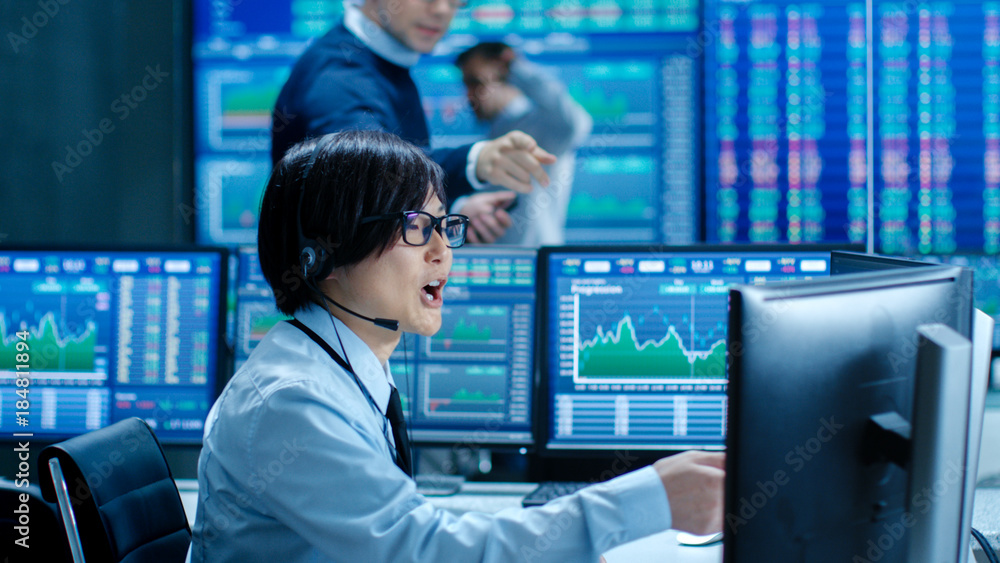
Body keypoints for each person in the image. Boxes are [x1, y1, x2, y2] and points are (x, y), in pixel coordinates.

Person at [190, 129, 725, 562]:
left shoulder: (335, 369)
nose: (444, 252)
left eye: (446, 226)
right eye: (417, 227)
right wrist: (646, 500)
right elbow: (427, 551)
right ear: (322, 257)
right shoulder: (292, 401)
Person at [271, 0, 553, 243]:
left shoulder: (382, 61)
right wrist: (475, 159)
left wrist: (449, 207)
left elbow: (382, 204)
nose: (443, 11)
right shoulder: (339, 75)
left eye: (456, 1)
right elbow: (370, 176)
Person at [456, 42, 592, 246]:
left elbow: (575, 124)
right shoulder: (494, 134)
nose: (469, 95)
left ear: (505, 74)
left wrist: (515, 67)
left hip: (536, 264)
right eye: (466, 85)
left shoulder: (543, 128)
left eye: (476, 82)